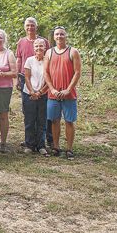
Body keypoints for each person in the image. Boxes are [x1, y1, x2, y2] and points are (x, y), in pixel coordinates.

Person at [44, 27, 81, 159]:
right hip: (53, 93)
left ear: (66, 36)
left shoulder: (73, 52)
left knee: (69, 121)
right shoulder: (49, 53)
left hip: (68, 94)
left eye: (62, 34)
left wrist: (68, 89)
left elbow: (77, 72)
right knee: (54, 121)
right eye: (57, 34)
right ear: (54, 37)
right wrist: (52, 89)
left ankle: (69, 149)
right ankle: (56, 146)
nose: (59, 36)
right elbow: (46, 73)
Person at [15, 17, 52, 147]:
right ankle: (29, 141)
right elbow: (19, 59)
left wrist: (41, 91)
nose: (30, 27)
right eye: (28, 25)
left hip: (42, 83)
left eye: (32, 25)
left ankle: (42, 141)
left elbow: (49, 58)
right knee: (29, 113)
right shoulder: (21, 42)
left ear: (36, 27)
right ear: (25, 27)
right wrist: (18, 77)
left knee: (42, 116)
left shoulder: (45, 42)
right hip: (26, 78)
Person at [23, 38, 49, 156]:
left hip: (43, 94)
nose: (39, 48)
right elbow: (27, 77)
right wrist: (32, 92)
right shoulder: (29, 60)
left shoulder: (48, 61)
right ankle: (29, 144)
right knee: (29, 120)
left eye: (41, 46)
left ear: (45, 48)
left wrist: (41, 92)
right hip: (29, 93)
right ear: (33, 48)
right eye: (36, 46)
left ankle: (41, 145)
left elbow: (50, 79)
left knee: (41, 120)